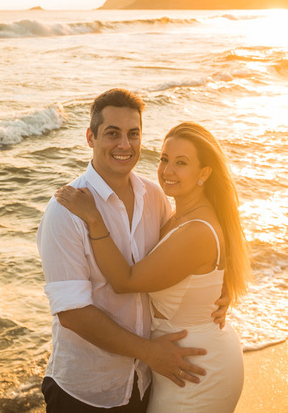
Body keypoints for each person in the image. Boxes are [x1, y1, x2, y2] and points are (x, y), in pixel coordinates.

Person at [38, 89, 214, 412]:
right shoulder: (65, 210)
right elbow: (73, 315)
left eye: (133, 134)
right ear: (90, 137)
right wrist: (149, 351)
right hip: (84, 391)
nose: (124, 145)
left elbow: (182, 257)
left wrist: (221, 289)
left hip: (144, 382)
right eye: (112, 134)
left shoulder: (155, 197)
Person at [56, 121, 249, 413]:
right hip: (179, 363)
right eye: (164, 159)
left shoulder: (196, 229)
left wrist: (94, 219)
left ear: (204, 173)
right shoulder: (176, 215)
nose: (167, 171)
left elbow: (126, 280)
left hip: (197, 369)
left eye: (181, 163)